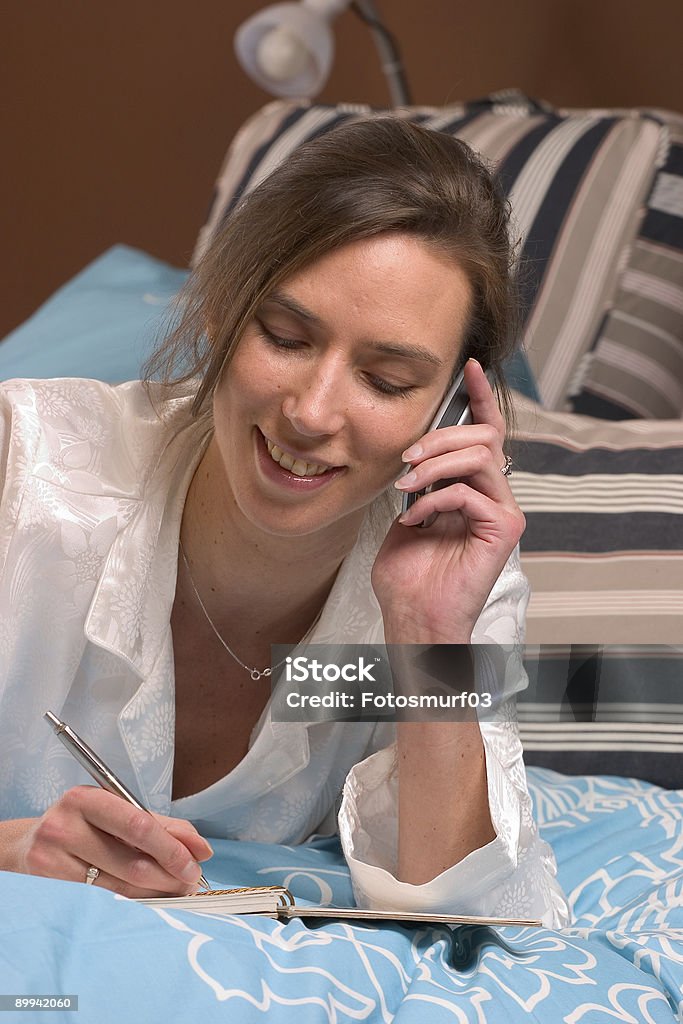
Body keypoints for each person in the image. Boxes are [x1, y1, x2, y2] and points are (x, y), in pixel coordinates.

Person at [0, 117, 568, 927]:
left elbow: (462, 911)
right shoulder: (21, 466)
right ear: (220, 314)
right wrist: (12, 853)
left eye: (385, 378)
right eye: (285, 336)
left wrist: (423, 634)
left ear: (446, 407)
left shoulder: (451, 591)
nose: (310, 412)